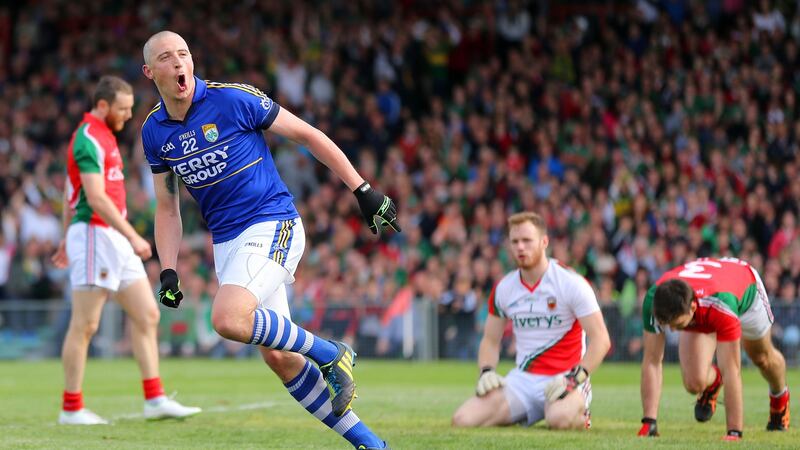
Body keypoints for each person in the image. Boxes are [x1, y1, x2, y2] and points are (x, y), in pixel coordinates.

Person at [140, 31, 399, 449]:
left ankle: (332, 352)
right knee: (279, 357)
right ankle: (371, 444)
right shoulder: (154, 131)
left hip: (272, 222)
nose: (177, 64)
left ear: (192, 61)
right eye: (166, 58)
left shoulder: (233, 99)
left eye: (183, 55)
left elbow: (308, 135)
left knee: (227, 319)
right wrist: (167, 268)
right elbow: (167, 207)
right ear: (150, 72)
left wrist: (362, 189)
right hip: (228, 244)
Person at [51, 75, 201, 425]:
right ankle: (71, 408)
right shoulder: (87, 138)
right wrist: (132, 236)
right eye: (122, 109)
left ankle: (155, 399)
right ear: (102, 106)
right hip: (95, 235)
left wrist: (63, 235)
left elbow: (67, 193)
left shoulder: (104, 137)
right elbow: (95, 197)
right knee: (85, 324)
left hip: (109, 237)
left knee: (147, 314)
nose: (127, 115)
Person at [451, 212, 611, 429]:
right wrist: (486, 371)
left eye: (527, 240)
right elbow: (490, 340)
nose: (520, 247)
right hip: (523, 381)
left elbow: (601, 339)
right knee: (462, 420)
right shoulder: (504, 288)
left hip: (565, 377)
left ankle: (579, 412)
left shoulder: (571, 283)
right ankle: (527, 411)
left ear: (544, 242)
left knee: (560, 420)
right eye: (515, 241)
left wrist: (576, 378)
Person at [638, 257, 790, 441]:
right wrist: (649, 423)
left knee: (762, 358)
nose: (670, 329)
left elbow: (732, 370)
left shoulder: (721, 305)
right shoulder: (654, 300)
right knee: (694, 382)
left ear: (692, 308)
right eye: (666, 323)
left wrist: (734, 433)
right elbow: (652, 361)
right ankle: (713, 381)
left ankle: (779, 397)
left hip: (744, 290)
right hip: (706, 296)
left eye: (676, 324)